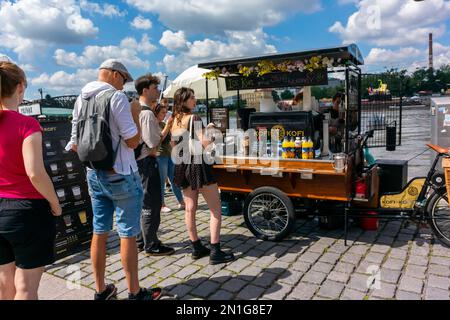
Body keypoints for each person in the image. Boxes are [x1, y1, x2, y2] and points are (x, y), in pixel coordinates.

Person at [68, 59, 162, 300]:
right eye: (122, 78)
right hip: (120, 173)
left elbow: (74, 144)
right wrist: (134, 114)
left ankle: (100, 291)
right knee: (127, 234)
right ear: (113, 74)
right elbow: (132, 142)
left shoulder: (81, 99)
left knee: (99, 231)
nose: (123, 84)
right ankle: (134, 292)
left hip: (93, 174)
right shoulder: (117, 98)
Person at [0, 61, 62, 300]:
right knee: (26, 288)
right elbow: (35, 172)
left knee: (5, 282)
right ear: (20, 87)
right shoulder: (27, 123)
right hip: (26, 211)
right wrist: (55, 204)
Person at [170, 87, 234, 265]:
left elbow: (172, 145)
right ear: (183, 101)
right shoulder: (194, 118)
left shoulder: (174, 120)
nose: (195, 100)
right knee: (215, 209)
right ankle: (215, 251)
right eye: (191, 98)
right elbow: (206, 144)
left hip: (182, 165)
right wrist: (212, 131)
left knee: (190, 209)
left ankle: (196, 246)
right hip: (199, 165)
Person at [134, 74, 175, 256]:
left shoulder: (133, 109)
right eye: (155, 88)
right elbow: (152, 142)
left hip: (135, 163)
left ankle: (141, 240)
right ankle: (151, 244)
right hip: (147, 162)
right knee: (152, 203)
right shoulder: (147, 113)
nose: (158, 91)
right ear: (145, 90)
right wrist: (161, 134)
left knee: (142, 202)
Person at [155, 104, 185, 213]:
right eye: (162, 112)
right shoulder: (154, 124)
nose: (165, 115)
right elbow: (160, 138)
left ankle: (181, 202)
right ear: (156, 113)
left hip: (169, 154)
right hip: (160, 155)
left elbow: (170, 139)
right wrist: (168, 125)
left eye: (165, 112)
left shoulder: (163, 123)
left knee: (174, 179)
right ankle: (161, 204)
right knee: (162, 181)